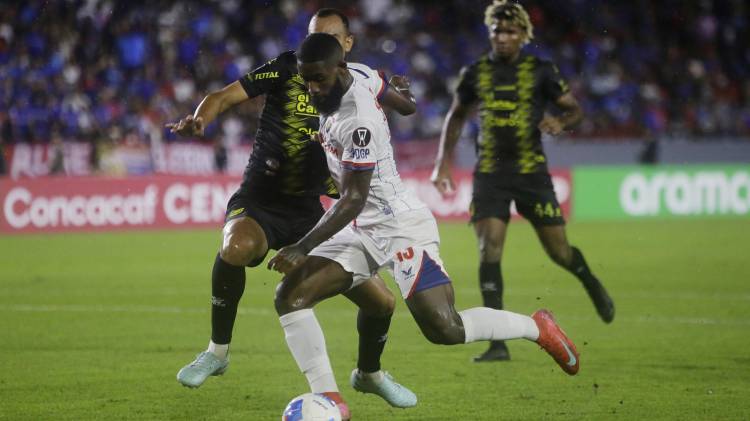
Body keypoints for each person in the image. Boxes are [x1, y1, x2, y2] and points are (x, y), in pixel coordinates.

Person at [270, 33, 581, 420]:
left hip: (398, 226)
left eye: (319, 79)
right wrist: (404, 95)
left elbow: (353, 199)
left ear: (340, 68)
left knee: (445, 329)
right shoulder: (361, 74)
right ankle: (331, 400)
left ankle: (537, 327)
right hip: (360, 229)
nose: (313, 89)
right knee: (291, 297)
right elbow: (405, 105)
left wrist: (302, 246)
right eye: (307, 81)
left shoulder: (359, 122)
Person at [166, 9, 417, 412]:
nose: (315, 47)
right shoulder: (287, 67)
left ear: (347, 45)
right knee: (235, 247)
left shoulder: (360, 84)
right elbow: (223, 96)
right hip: (261, 198)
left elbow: (403, 106)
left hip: (312, 213)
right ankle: (217, 352)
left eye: (329, 38)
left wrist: (405, 92)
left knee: (382, 303)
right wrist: (200, 120)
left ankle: (370, 375)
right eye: (312, 36)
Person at [430, 0, 615, 363]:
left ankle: (590, 281)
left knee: (559, 252)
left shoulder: (541, 71)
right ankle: (497, 343)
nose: (502, 37)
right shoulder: (476, 73)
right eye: (497, 31)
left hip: (532, 174)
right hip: (490, 174)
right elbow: (456, 116)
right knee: (489, 248)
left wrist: (561, 122)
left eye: (510, 31)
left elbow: (574, 109)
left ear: (523, 35)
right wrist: (442, 163)